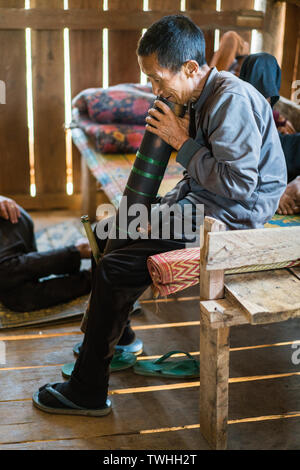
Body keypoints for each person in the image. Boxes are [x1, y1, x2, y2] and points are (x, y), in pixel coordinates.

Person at [32, 14, 287, 417]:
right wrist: (165, 206)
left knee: (116, 267)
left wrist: (180, 142)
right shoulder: (198, 96)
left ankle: (88, 389)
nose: (154, 90)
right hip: (204, 203)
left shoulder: (231, 99)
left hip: (233, 218)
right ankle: (122, 338)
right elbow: (202, 179)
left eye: (156, 79)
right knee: (106, 231)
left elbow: (238, 187)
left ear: (190, 69)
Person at [0, 195, 93, 312]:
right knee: (18, 297)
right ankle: (88, 275)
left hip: (9, 218)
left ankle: (78, 253)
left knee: (5, 270)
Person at [239, 52, 300, 215]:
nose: (262, 103)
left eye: (266, 98)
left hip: (275, 157)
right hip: (258, 172)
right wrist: (273, 194)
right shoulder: (233, 117)